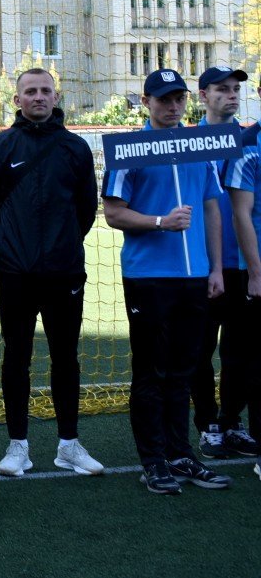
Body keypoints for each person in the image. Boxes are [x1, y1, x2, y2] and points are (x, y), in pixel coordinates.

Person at [103, 68, 232, 494]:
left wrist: (215, 268)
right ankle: (153, 461)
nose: (173, 106)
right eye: (163, 99)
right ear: (146, 103)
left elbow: (212, 208)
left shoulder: (199, 146)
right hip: (149, 277)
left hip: (194, 277)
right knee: (150, 371)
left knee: (184, 370)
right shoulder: (130, 149)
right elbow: (113, 213)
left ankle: (181, 454)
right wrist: (160, 222)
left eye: (178, 98)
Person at [0, 69, 104, 478]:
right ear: (16, 100)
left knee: (66, 357)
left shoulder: (76, 148)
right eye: (30, 91)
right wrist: (9, 252)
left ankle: (69, 444)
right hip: (15, 273)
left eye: (45, 90)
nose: (38, 97)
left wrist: (61, 246)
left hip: (64, 272)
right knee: (16, 357)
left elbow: (86, 210)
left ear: (56, 96)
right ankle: (18, 446)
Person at [195, 67, 260, 460]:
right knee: (199, 351)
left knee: (241, 351)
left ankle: (232, 421)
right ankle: (208, 426)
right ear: (203, 95)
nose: (232, 95)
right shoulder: (187, 142)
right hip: (200, 265)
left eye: (236, 89)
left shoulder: (249, 141)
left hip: (242, 264)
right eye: (222, 89)